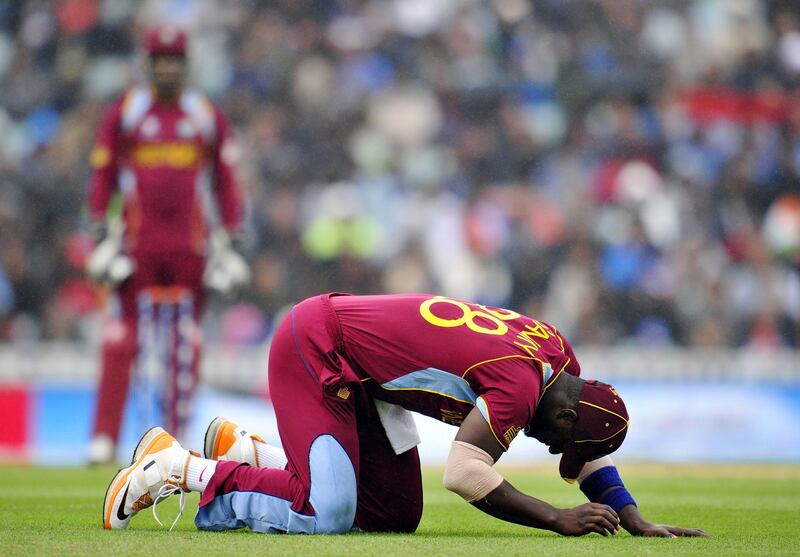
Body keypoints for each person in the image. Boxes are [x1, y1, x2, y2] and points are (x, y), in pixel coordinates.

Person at [102, 293, 708, 537]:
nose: (553, 452)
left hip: (368, 376)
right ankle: (181, 470)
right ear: (570, 411)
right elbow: (464, 472)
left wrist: (635, 519)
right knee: (328, 513)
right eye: (560, 443)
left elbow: (590, 449)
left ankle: (253, 454)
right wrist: (554, 518)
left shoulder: (558, 358)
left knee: (393, 516)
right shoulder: (521, 387)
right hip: (320, 345)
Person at [86, 25, 247, 464]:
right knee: (120, 339)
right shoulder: (129, 112)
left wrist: (231, 238)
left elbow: (226, 181)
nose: (168, 69)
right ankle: (103, 438)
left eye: (175, 61)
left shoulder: (203, 115)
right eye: (161, 61)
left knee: (186, 341)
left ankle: (176, 438)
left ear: (186, 64)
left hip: (189, 249)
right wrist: (100, 227)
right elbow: (103, 174)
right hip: (137, 245)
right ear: (149, 64)